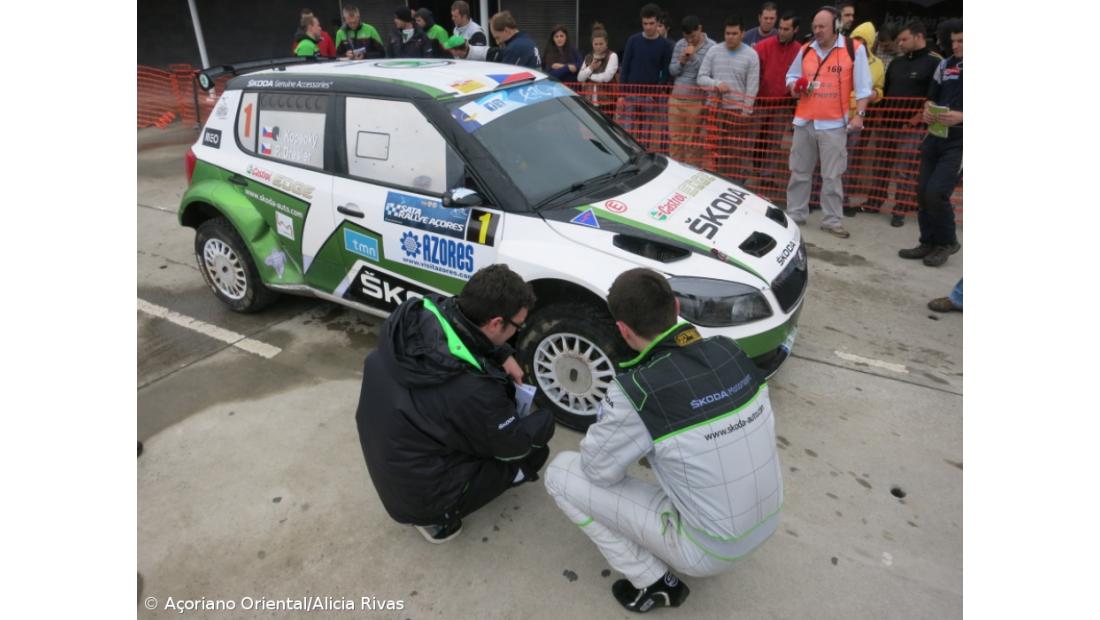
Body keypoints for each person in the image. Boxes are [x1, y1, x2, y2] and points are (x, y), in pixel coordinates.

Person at [544, 267, 782, 613]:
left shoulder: (638, 391)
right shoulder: (729, 351)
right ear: (675, 306)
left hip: (711, 549)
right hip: (768, 520)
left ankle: (653, 582)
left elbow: (597, 472)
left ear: (623, 330)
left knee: (562, 474)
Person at [356, 264, 554, 544]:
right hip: (419, 496)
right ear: (496, 323)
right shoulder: (475, 390)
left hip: (392, 458)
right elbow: (514, 447)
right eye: (517, 327)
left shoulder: (415, 316)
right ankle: (439, 519)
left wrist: (501, 353)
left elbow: (468, 334)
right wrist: (545, 419)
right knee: (534, 452)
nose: (516, 332)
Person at [783, 6, 873, 238]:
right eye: (815, 26)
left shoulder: (854, 50)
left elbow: (864, 88)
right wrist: (795, 86)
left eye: (822, 26)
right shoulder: (805, 50)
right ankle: (795, 215)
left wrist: (859, 115)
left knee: (833, 176)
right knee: (799, 172)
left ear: (836, 27)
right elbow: (791, 77)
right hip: (804, 122)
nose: (817, 31)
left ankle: (832, 221)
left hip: (834, 125)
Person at [899, 19, 962, 267]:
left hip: (960, 141)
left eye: (961, 41)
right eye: (953, 41)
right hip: (934, 136)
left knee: (937, 192)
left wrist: (963, 116)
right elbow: (931, 97)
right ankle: (927, 241)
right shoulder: (944, 65)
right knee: (923, 191)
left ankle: (947, 242)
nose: (955, 46)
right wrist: (927, 110)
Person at [870, 20, 943, 225]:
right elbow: (886, 91)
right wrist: (881, 119)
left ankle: (900, 208)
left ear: (918, 37)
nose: (900, 43)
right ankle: (874, 201)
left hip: (912, 127)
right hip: (888, 125)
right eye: (899, 39)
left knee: (905, 170)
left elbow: (934, 97)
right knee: (880, 165)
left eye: (904, 39)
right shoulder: (897, 62)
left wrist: (914, 121)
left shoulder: (934, 62)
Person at [697, 15, 760, 185]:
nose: (730, 37)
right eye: (727, 33)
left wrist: (746, 111)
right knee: (713, 150)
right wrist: (717, 84)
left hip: (737, 112)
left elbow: (752, 87)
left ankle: (733, 185)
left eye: (734, 33)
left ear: (742, 34)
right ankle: (717, 184)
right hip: (715, 110)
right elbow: (701, 78)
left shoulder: (751, 55)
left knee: (734, 153)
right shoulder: (714, 51)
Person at [839, 21, 885, 217]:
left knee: (849, 161)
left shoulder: (877, 64)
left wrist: (874, 93)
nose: (858, 44)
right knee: (825, 160)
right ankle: (817, 197)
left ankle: (844, 198)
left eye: (862, 41)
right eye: (855, 40)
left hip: (857, 118)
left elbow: (880, 88)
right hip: (836, 116)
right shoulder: (843, 56)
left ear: (870, 43)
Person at [751, 12, 801, 188]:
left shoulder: (800, 51)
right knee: (752, 139)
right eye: (780, 28)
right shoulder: (763, 46)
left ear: (796, 30)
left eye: (786, 29)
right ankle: (743, 172)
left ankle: (767, 175)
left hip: (782, 104)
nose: (781, 32)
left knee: (773, 142)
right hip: (761, 102)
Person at [618, 3, 674, 147]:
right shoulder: (633, 40)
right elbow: (625, 67)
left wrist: (655, 94)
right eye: (645, 23)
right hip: (630, 94)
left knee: (645, 134)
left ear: (658, 23)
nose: (648, 27)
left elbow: (665, 73)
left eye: (651, 23)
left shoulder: (665, 45)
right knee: (628, 132)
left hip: (649, 96)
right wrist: (621, 94)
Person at [667, 15, 716, 165]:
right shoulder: (679, 45)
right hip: (676, 99)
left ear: (700, 29)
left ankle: (690, 173)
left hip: (696, 101)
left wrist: (693, 57)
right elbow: (672, 71)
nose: (690, 40)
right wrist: (681, 62)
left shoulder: (712, 47)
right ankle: (675, 171)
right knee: (675, 140)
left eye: (693, 36)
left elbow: (707, 74)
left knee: (692, 142)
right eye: (686, 37)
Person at [578, 26, 619, 115]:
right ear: (592, 44)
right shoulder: (588, 57)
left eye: (601, 44)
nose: (598, 47)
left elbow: (606, 77)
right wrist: (591, 68)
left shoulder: (612, 56)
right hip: (589, 100)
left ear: (606, 43)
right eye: (596, 44)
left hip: (607, 100)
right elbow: (580, 78)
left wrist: (589, 76)